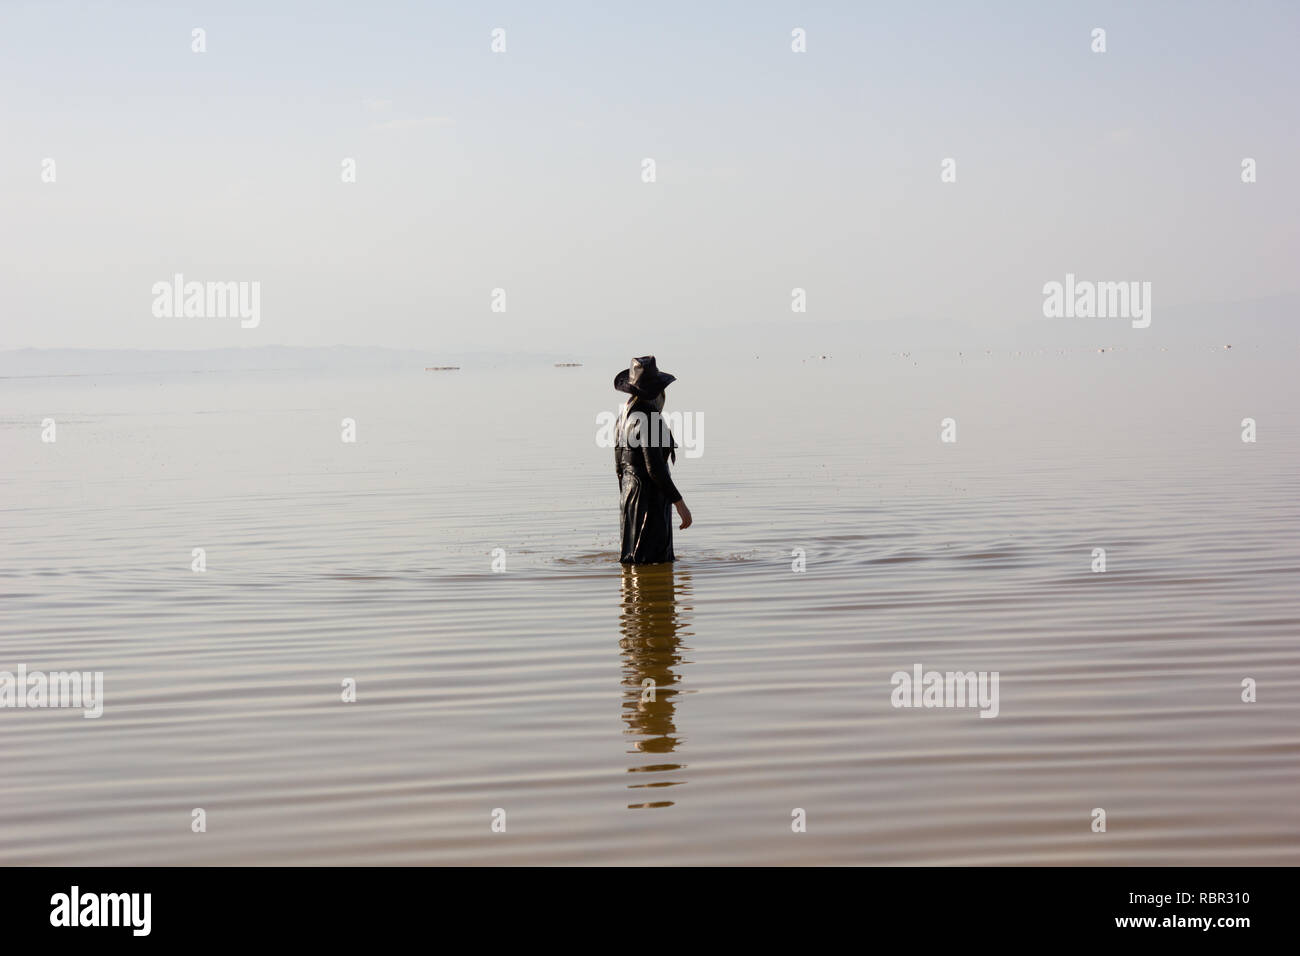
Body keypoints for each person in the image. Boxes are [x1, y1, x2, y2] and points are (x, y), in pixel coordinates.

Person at [613, 356, 692, 564]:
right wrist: (679, 503)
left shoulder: (623, 416)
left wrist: (627, 498)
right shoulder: (650, 418)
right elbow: (655, 468)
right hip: (649, 499)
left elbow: (619, 466)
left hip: (629, 495)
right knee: (655, 560)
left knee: (633, 561)